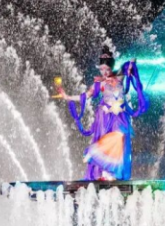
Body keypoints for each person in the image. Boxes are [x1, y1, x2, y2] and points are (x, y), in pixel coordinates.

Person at [57, 47, 148, 181]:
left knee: (120, 138)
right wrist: (67, 97)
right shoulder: (100, 82)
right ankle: (105, 170)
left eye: (107, 69)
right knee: (111, 138)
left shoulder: (119, 77)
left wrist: (131, 64)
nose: (104, 72)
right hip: (105, 116)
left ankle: (106, 164)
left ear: (111, 68)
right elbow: (85, 96)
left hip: (119, 115)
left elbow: (130, 65)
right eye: (101, 69)